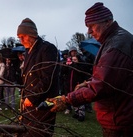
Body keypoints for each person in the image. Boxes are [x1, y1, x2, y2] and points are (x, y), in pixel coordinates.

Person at [47, 2, 133, 136]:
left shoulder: (117, 44)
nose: (88, 31)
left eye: (92, 25)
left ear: (108, 22)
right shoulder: (113, 41)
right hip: (118, 115)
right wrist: (88, 82)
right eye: (87, 26)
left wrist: (66, 99)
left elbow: (102, 85)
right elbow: (113, 77)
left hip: (120, 118)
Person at [17, 18, 60, 137]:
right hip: (30, 106)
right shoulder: (28, 51)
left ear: (32, 34)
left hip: (43, 104)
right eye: (19, 37)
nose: (21, 40)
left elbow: (47, 78)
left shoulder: (47, 49)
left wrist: (31, 97)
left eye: (23, 36)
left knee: (39, 133)